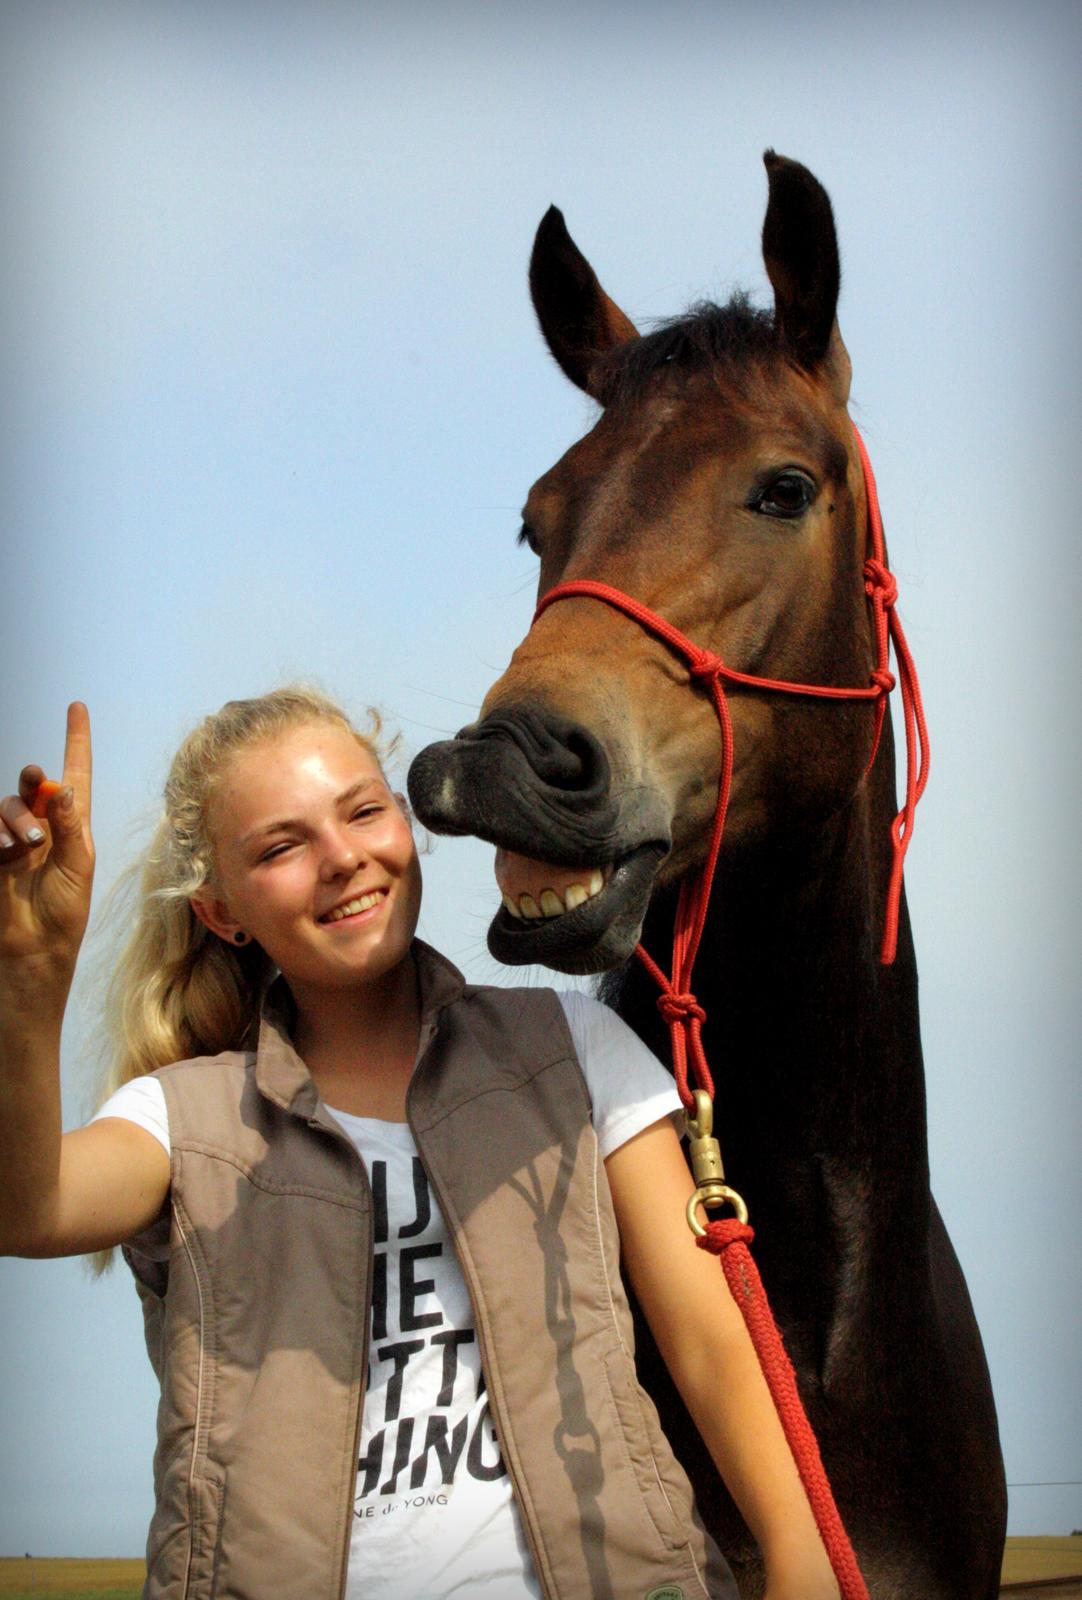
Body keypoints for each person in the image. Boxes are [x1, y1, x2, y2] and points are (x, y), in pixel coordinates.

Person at [0, 690, 840, 1600]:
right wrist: (29, 982)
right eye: (281, 847)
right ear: (220, 912)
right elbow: (26, 1208)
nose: (342, 858)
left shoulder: (572, 1049)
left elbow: (714, 1344)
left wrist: (802, 1560)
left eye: (364, 811)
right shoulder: (181, 1119)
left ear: (407, 825)